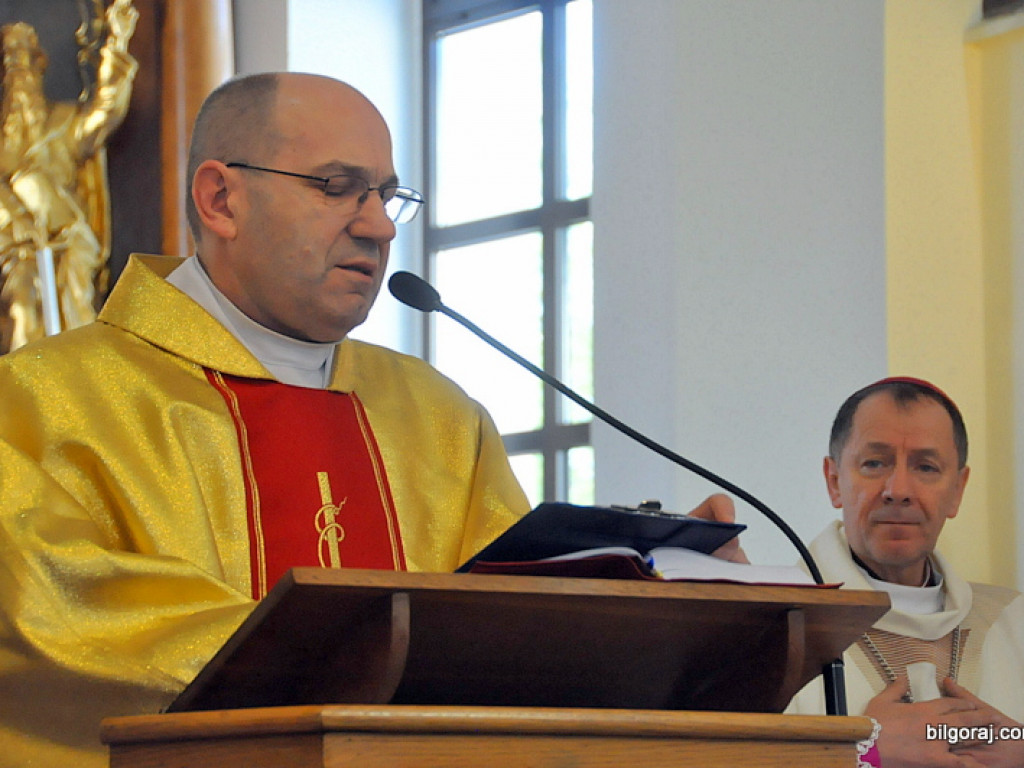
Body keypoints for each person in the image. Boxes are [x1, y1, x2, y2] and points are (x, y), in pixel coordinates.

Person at [0, 71, 742, 767]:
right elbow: (46, 626)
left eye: (388, 195)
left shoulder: (440, 418)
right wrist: (351, 652)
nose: (380, 228)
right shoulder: (38, 402)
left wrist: (656, 592)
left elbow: (513, 627)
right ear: (220, 199)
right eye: (338, 187)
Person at [787, 377, 1024, 768]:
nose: (898, 489)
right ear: (835, 482)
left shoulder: (1013, 621)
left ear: (958, 490)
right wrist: (864, 753)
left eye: (926, 467)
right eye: (875, 463)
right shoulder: (774, 622)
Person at [0, 0, 138, 352]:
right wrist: (19, 225)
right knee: (22, 304)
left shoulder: (64, 121)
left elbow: (105, 112)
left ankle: (78, 369)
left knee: (75, 288)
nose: (18, 75)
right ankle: (25, 393)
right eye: (9, 67)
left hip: (69, 238)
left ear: (40, 67)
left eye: (25, 64)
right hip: (16, 246)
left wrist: (116, 45)